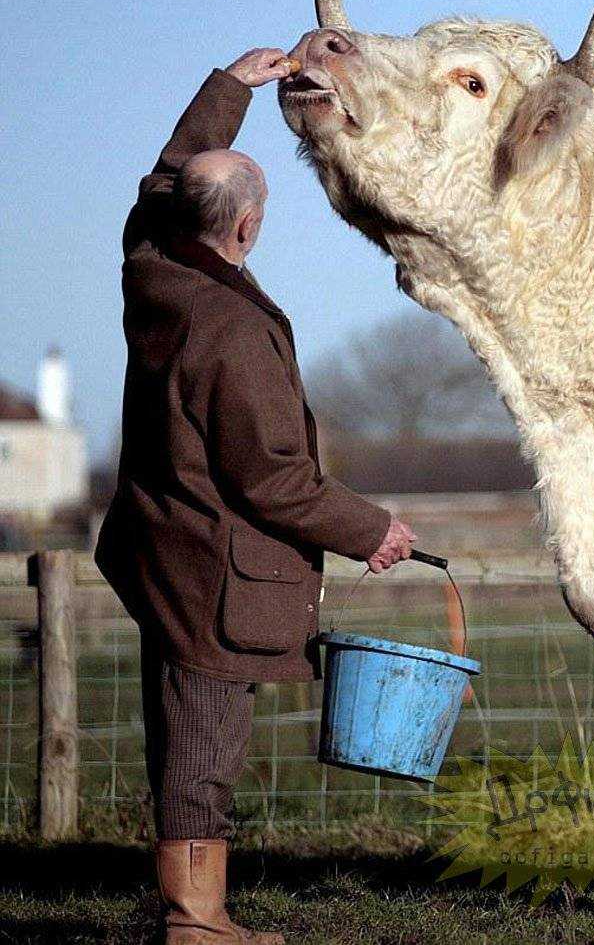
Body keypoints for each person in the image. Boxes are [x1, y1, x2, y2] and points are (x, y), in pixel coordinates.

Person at [95, 47, 416, 945]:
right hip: (213, 568)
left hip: (159, 547)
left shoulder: (151, 269)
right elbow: (275, 478)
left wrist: (229, 88)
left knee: (182, 728)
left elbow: (164, 184)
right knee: (203, 740)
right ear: (247, 227)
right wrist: (372, 530)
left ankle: (194, 912)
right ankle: (197, 923)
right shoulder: (230, 329)